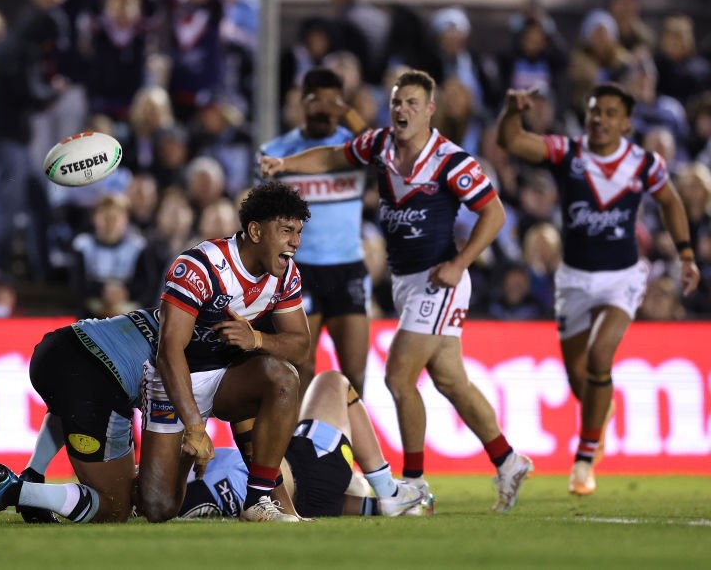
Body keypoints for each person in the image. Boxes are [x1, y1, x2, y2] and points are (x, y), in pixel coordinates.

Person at [261, 69, 534, 514]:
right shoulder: (381, 145)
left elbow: (495, 214)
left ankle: (413, 484)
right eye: (396, 103)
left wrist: (459, 263)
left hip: (437, 279)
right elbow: (334, 156)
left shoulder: (452, 161)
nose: (402, 110)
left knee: (397, 377)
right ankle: (507, 461)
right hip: (407, 281)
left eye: (411, 103)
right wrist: (285, 165)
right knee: (450, 379)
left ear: (430, 109)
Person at [496, 82, 699, 496]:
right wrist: (513, 111)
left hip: (622, 277)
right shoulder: (567, 152)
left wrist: (686, 254)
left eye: (609, 113)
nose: (599, 119)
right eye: (594, 111)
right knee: (577, 376)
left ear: (626, 122)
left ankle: (584, 460)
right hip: (573, 279)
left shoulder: (645, 163)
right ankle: (597, 417)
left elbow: (671, 202)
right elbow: (512, 141)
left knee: (601, 355)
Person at [138, 181, 312, 523]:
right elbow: (169, 350)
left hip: (230, 379)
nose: (296, 242)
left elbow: (300, 345)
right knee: (158, 507)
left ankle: (258, 499)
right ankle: (122, 484)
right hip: (178, 381)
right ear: (256, 231)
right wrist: (193, 425)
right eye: (287, 230)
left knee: (283, 377)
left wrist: (257, 340)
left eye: (299, 231)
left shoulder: (286, 273)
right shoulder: (200, 265)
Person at [0, 306, 162, 525]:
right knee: (114, 508)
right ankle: (14, 491)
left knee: (70, 404)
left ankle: (33, 473)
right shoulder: (195, 358)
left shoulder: (175, 310)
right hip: (94, 379)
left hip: (56, 348)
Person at [259, 68, 371, 396]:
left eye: (332, 102)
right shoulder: (274, 151)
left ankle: (347, 443)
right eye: (317, 101)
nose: (325, 109)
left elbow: (386, 152)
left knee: (355, 373)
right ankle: (296, 445)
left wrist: (348, 114)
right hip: (298, 269)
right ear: (302, 102)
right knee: (301, 367)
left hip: (347, 267)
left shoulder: (354, 149)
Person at [179, 371, 428, 519]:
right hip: (307, 467)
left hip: (300, 493)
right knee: (333, 382)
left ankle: (378, 504)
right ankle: (389, 492)